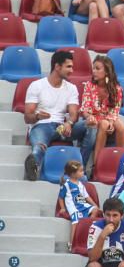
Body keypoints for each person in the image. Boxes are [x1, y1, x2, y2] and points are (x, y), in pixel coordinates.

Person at [23, 50, 96, 180]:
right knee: (39, 147)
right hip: (42, 125)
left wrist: (70, 123)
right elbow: (27, 117)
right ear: (57, 67)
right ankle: (32, 166)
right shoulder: (36, 86)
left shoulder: (71, 88)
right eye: (68, 66)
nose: (72, 70)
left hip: (61, 127)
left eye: (72, 67)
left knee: (90, 125)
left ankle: (81, 166)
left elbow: (74, 114)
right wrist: (38, 116)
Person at [79, 54, 124, 167]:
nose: (94, 71)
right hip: (94, 118)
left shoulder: (117, 89)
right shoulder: (89, 86)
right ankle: (96, 165)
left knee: (121, 127)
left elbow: (115, 110)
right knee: (104, 124)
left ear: (107, 72)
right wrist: (89, 117)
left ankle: (120, 161)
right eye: (93, 68)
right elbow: (85, 109)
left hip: (109, 118)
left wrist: (110, 121)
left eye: (97, 68)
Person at [58, 160, 101, 247]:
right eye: (81, 171)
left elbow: (86, 197)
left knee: (95, 210)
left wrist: (95, 205)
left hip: (83, 205)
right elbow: (60, 197)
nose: (83, 172)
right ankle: (71, 243)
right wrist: (62, 208)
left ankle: (88, 223)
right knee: (75, 223)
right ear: (73, 173)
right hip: (74, 208)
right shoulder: (66, 184)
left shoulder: (81, 184)